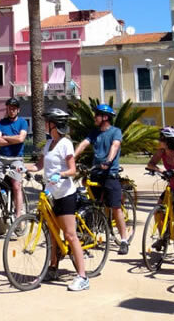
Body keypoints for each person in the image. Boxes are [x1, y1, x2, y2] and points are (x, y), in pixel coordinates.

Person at [27, 108, 89, 291]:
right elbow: (39, 165)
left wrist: (60, 175)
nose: (45, 125)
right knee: (53, 233)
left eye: (48, 122)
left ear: (54, 125)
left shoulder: (65, 144)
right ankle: (53, 267)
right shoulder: (49, 144)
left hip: (65, 194)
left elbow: (72, 170)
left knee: (70, 235)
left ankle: (82, 277)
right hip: (51, 194)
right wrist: (23, 168)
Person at [74, 104, 130, 255]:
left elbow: (115, 146)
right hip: (96, 173)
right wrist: (72, 158)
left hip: (109, 173)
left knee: (116, 207)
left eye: (97, 115)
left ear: (105, 117)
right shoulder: (94, 133)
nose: (94, 117)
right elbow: (83, 144)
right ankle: (88, 235)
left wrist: (108, 161)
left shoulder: (115, 131)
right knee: (90, 204)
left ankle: (124, 240)